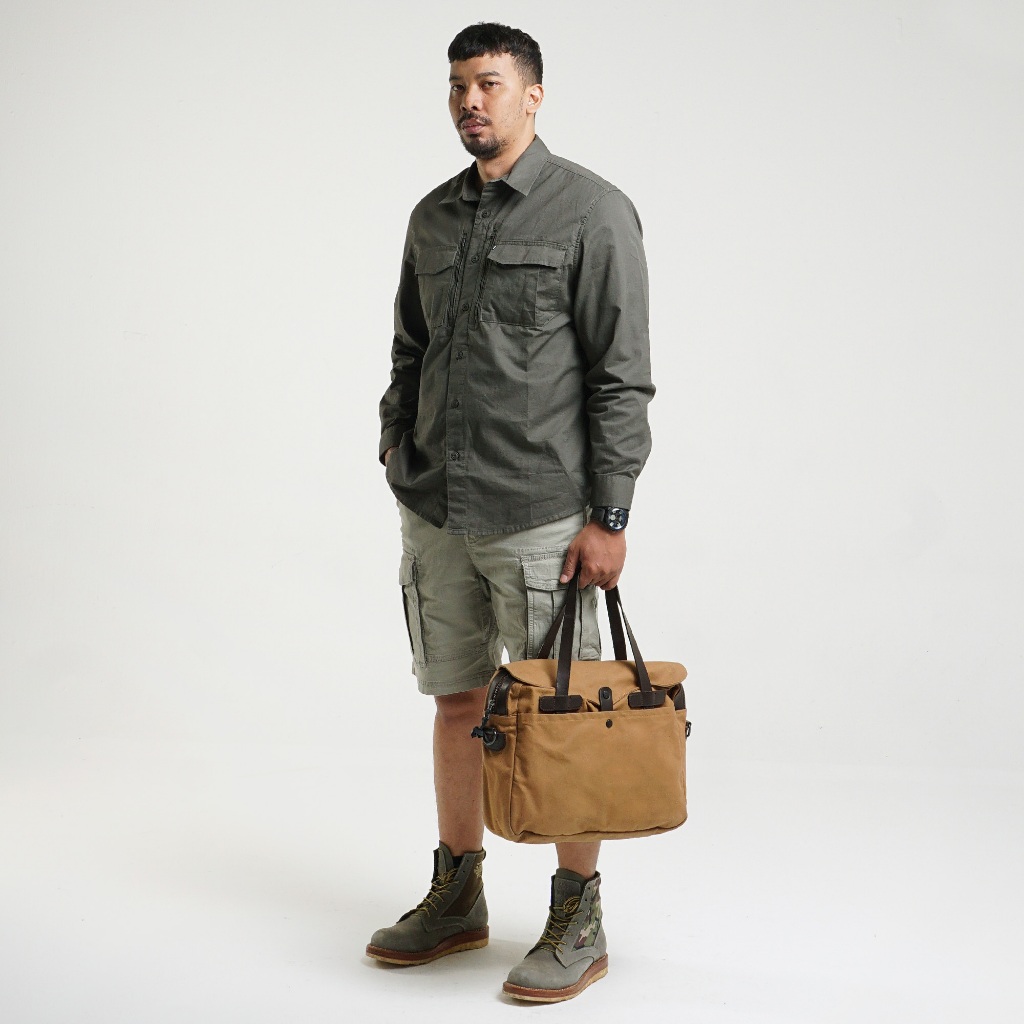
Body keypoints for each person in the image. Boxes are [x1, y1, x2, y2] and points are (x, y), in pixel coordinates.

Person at [367, 22, 655, 1003]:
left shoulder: (593, 212)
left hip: (542, 516)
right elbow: (408, 348)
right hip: (436, 508)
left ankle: (579, 915)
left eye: (488, 84)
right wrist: (395, 441)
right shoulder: (431, 218)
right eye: (458, 86)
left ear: (533, 95)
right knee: (456, 701)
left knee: (561, 718)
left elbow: (621, 377)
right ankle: (459, 895)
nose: (469, 102)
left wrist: (609, 515)